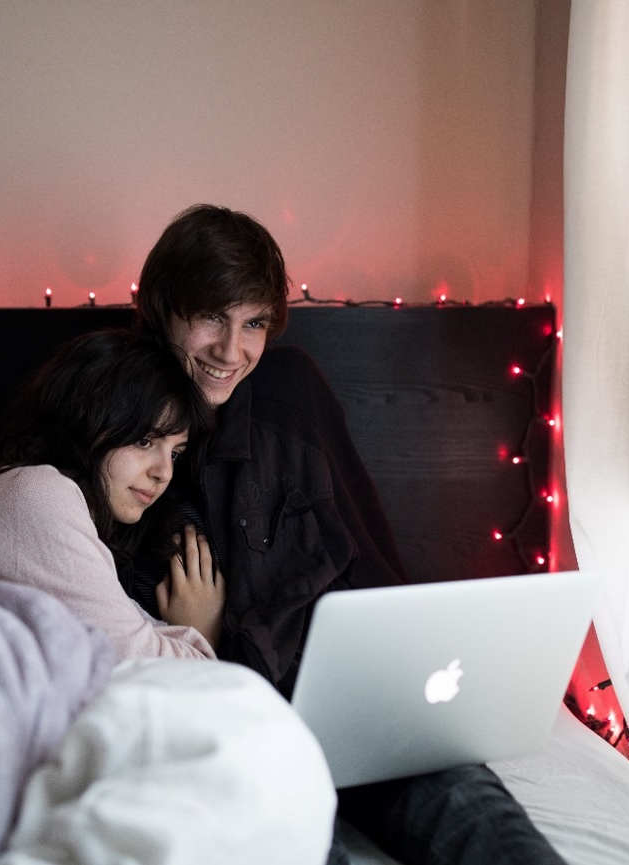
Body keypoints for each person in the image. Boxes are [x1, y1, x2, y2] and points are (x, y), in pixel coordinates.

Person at [129, 204, 569, 865]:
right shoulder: (124, 416)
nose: (231, 350)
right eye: (211, 317)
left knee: (484, 821)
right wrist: (200, 642)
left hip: (359, 702)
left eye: (253, 323)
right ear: (164, 309)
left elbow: (368, 560)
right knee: (301, 841)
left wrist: (415, 684)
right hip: (242, 718)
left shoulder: (289, 389)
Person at [0, 328, 225, 661]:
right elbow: (135, 659)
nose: (164, 472)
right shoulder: (36, 492)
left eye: (175, 453)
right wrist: (201, 634)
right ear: (88, 420)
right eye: (145, 441)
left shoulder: (70, 513)